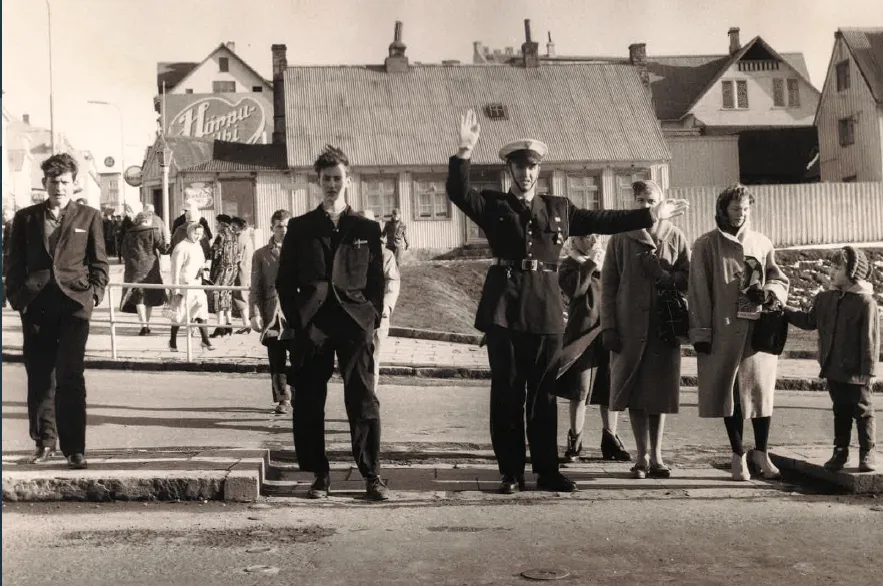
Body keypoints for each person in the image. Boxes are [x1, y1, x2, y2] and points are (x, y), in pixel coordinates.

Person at [447, 109, 689, 493]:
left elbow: (603, 219)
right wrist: (464, 150)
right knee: (507, 393)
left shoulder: (558, 208)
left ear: (538, 170)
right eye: (519, 167)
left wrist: (649, 214)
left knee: (543, 394)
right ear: (510, 170)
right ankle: (511, 472)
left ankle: (547, 471)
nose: (526, 173)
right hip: (504, 308)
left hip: (545, 309)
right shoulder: (494, 204)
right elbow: (459, 193)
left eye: (532, 167)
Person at [276, 145, 388, 501]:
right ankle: (319, 474)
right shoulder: (300, 227)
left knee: (363, 397)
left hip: (354, 322)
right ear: (318, 181)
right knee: (309, 400)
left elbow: (377, 280)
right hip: (314, 325)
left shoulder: (366, 228)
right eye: (326, 179)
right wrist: (298, 318)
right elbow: (284, 281)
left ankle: (372, 474)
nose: (332, 185)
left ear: (348, 180)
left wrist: (370, 317)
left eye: (338, 178)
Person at [4, 153, 109, 469]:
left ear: (74, 184)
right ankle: (44, 443)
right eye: (53, 181)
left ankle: (74, 449)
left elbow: (99, 263)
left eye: (64, 182)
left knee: (70, 375)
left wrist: (94, 295)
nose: (59, 187)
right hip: (36, 307)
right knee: (40, 376)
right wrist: (18, 299)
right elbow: (13, 263)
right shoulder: (26, 218)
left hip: (74, 305)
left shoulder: (89, 217)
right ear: (44, 183)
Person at [688, 184, 790, 481]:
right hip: (723, 332)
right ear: (722, 210)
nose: (741, 214)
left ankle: (762, 453)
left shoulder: (761, 242)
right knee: (730, 395)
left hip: (759, 334)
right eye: (735, 209)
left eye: (745, 209)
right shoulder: (705, 245)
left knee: (761, 393)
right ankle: (737, 455)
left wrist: (770, 293)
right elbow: (698, 292)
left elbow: (778, 278)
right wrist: (701, 333)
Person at [601, 180, 690, 479]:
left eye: (651, 201)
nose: (646, 206)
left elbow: (688, 278)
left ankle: (658, 455)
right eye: (640, 200)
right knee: (636, 391)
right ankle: (642, 456)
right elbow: (608, 286)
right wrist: (608, 327)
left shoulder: (675, 236)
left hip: (663, 327)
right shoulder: (620, 237)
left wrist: (663, 275)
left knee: (659, 391)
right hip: (628, 328)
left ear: (662, 202)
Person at [785, 246, 878, 472]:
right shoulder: (825, 298)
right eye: (831, 266)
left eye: (838, 268)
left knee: (863, 411)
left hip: (856, 371)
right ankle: (840, 452)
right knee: (840, 410)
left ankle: (867, 452)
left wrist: (869, 371)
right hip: (833, 367)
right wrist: (784, 309)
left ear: (853, 273)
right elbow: (809, 321)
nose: (831, 271)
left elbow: (870, 339)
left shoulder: (865, 302)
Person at [557, 234, 631, 464]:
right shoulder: (569, 264)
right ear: (574, 241)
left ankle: (611, 438)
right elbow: (576, 290)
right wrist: (590, 263)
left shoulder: (608, 262)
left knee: (610, 387)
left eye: (595, 237)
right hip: (581, 334)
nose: (591, 241)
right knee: (580, 389)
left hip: (607, 329)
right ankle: (575, 438)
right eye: (585, 237)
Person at [250, 209, 294, 414]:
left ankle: (297, 392)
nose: (284, 230)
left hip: (295, 313)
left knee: (299, 357)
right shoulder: (261, 254)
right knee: (276, 359)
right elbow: (255, 287)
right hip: (272, 314)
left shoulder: (301, 250)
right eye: (279, 226)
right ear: (272, 228)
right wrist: (254, 313)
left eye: (287, 226)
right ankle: (283, 399)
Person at [360, 209, 401, 383]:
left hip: (376, 316)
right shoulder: (347, 252)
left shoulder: (385, 254)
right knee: (353, 365)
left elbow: (392, 282)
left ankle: (370, 397)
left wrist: (386, 305)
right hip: (352, 316)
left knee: (372, 362)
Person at [119, 210, 169, 335]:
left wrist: (131, 261)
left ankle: (143, 325)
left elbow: (123, 251)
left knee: (138, 298)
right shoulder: (152, 231)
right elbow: (164, 249)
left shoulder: (129, 233)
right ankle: (147, 324)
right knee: (149, 297)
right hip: (150, 269)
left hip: (133, 269)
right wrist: (171, 243)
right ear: (147, 220)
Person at [168, 221, 214, 352]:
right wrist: (175, 287)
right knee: (179, 314)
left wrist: (203, 269)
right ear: (189, 232)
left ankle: (205, 340)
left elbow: (200, 262)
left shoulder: (198, 246)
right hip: (184, 285)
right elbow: (175, 269)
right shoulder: (181, 247)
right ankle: (172, 341)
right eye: (195, 233)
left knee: (201, 310)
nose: (198, 236)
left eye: (200, 234)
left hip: (197, 284)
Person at [207, 214, 239, 338]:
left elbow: (213, 252)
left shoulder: (221, 235)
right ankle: (229, 324)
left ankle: (220, 326)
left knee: (218, 295)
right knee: (227, 294)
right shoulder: (234, 235)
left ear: (222, 224)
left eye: (217, 223)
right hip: (233, 269)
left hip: (222, 269)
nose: (216, 226)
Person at [231, 216, 253, 334]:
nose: (232, 229)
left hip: (241, 269)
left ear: (240, 227)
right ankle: (246, 323)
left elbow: (236, 255)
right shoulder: (247, 237)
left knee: (240, 296)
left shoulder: (240, 238)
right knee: (243, 295)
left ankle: (246, 324)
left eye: (234, 227)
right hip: (247, 268)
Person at [2, 207, 15, 307]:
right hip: (11, 254)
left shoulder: (9, 224)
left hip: (8, 254)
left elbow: (7, 240)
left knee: (5, 276)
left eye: (5, 214)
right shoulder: (11, 223)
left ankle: (3, 300)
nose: (4, 216)